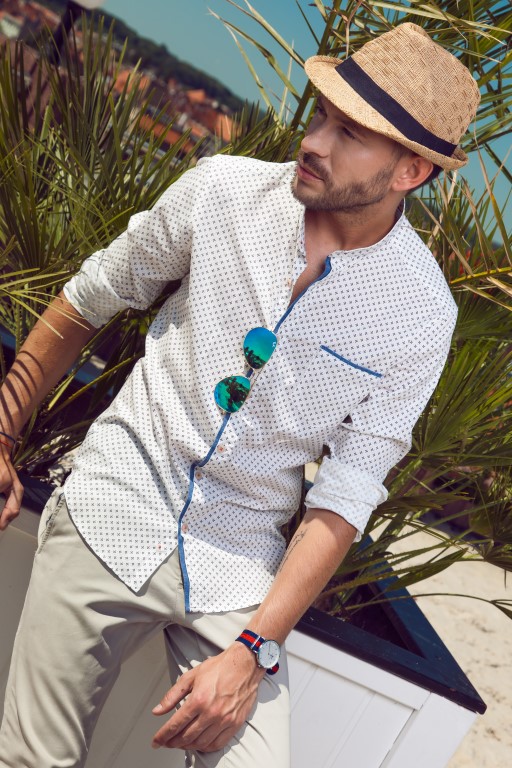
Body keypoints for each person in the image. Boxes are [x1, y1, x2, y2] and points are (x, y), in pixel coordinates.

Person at [0, 22, 479, 768]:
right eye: (321, 116)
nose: (313, 142)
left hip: (239, 564)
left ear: (410, 172)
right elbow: (89, 300)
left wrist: (255, 648)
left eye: (348, 134)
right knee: (31, 761)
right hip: (113, 503)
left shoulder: (420, 313)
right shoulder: (221, 192)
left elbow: (346, 496)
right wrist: (3, 434)